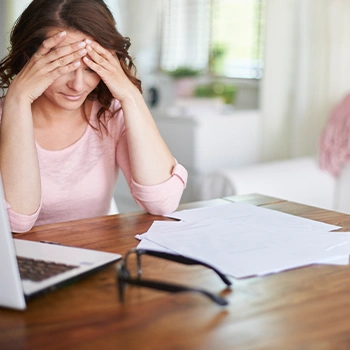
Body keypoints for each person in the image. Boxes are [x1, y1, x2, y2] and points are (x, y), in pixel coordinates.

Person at [0, 0, 187, 233]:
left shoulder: (110, 115)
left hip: (97, 259)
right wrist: (17, 99)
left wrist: (129, 94)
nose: (78, 85)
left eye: (91, 68)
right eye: (63, 66)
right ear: (30, 58)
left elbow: (162, 203)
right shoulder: (5, 117)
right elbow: (16, 223)